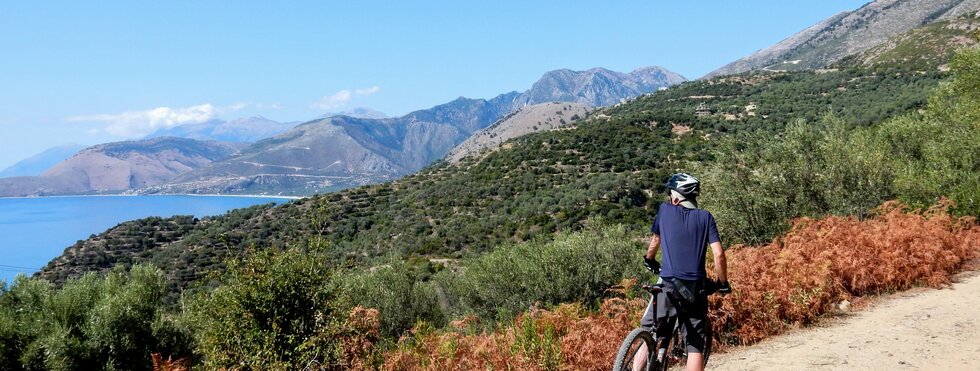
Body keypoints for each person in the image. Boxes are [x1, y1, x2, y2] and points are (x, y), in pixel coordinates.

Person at [635, 173, 730, 371]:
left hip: (667, 284)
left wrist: (649, 260)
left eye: (671, 195)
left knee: (649, 330)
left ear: (676, 198)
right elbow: (719, 254)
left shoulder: (665, 210)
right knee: (695, 344)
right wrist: (722, 283)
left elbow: (655, 241)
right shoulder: (706, 217)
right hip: (694, 288)